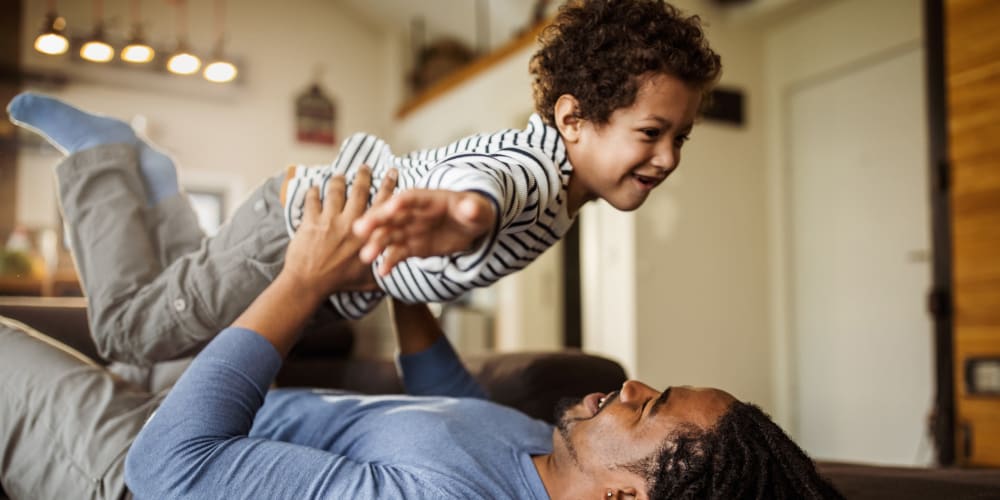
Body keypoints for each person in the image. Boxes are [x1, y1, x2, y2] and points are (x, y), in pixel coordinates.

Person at [0, 165, 842, 499]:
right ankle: (116, 165)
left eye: (647, 404)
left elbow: (168, 471)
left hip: (126, 460)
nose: (628, 382)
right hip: (188, 404)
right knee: (154, 305)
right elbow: (452, 411)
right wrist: (409, 279)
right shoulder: (548, 456)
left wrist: (307, 279)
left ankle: (114, 165)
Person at [6, 0, 722, 369]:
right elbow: (486, 186)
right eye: (651, 133)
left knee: (186, 296)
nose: (667, 158)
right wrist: (460, 215)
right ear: (574, 119)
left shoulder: (559, 184)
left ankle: (155, 178)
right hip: (295, 236)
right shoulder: (535, 175)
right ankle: (103, 157)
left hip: (302, 234)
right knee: (130, 331)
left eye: (680, 136)